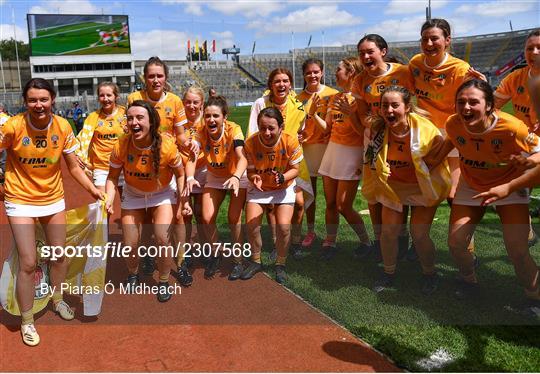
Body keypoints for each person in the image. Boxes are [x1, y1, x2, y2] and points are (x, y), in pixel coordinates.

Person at [0, 78, 104, 346]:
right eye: (33, 100)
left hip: (52, 198)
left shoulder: (63, 126)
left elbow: (74, 167)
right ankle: (27, 321)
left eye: (43, 99)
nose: (38, 105)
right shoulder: (13, 127)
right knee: (28, 262)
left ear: (52, 100)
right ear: (25, 102)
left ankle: (56, 298)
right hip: (19, 198)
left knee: (60, 256)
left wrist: (93, 190)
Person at [425, 79, 540, 312]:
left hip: (509, 187)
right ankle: (468, 279)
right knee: (456, 244)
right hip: (472, 187)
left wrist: (526, 163)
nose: (466, 107)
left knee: (517, 250)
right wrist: (429, 162)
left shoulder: (511, 127)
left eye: (473, 102)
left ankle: (534, 298)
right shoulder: (454, 123)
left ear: (489, 106)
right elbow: (452, 140)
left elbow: (539, 154)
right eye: (461, 102)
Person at [409, 18, 486, 258]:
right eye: (424, 39)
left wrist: (483, 86)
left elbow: (471, 105)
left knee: (454, 194)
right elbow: (410, 94)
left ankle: (466, 248)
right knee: (421, 188)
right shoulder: (414, 63)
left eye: (434, 38)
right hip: (424, 136)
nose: (429, 43)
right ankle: (416, 242)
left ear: (447, 41)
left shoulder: (460, 69)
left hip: (452, 135)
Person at [363, 86, 451, 294]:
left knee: (419, 234)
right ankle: (388, 273)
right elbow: (369, 160)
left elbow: (437, 161)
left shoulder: (425, 130)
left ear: (407, 107)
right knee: (388, 232)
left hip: (422, 188)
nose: (389, 111)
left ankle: (430, 274)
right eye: (385, 106)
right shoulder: (376, 130)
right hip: (393, 188)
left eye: (395, 105)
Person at [105, 100, 190, 302]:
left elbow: (180, 173)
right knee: (130, 244)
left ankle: (162, 280)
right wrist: (109, 198)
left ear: (151, 122)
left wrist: (182, 199)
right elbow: (112, 177)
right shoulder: (121, 145)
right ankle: (133, 273)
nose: (134, 122)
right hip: (133, 195)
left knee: (162, 237)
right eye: (130, 118)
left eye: (139, 117)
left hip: (161, 194)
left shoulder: (167, 146)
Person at [127, 56, 195, 275]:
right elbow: (131, 129)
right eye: (151, 76)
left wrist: (190, 144)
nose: (155, 80)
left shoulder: (175, 101)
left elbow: (181, 135)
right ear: (144, 78)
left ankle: (181, 261)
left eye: (159, 76)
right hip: (141, 164)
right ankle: (147, 255)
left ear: (165, 77)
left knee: (178, 217)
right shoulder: (134, 97)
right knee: (146, 217)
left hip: (168, 163)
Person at [353, 34, 414, 260]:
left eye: (370, 51)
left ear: (383, 51)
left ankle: (404, 241)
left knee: (400, 191)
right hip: (374, 142)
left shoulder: (403, 72)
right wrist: (375, 127)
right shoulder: (360, 80)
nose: (366, 57)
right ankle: (380, 243)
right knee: (373, 194)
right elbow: (362, 114)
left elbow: (413, 105)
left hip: (401, 140)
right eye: (361, 53)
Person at [248, 68, 313, 260]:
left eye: (285, 81)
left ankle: (294, 242)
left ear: (291, 84)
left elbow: (302, 127)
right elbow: (253, 131)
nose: (281, 84)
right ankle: (278, 241)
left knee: (300, 204)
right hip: (266, 159)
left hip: (291, 159)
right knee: (271, 206)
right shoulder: (261, 103)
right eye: (277, 81)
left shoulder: (297, 104)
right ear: (270, 85)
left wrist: (302, 135)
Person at [310, 57, 371, 260]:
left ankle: (366, 242)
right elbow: (328, 127)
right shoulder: (334, 98)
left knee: (343, 205)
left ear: (351, 73)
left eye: (339, 69)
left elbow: (363, 131)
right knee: (330, 203)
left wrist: (351, 114)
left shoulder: (360, 99)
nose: (335, 73)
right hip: (333, 152)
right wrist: (313, 115)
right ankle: (330, 241)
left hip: (352, 153)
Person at [184, 96, 248, 280]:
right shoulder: (199, 132)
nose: (211, 120)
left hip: (237, 175)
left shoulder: (233, 129)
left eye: (216, 116)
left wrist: (236, 177)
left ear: (224, 117)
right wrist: (189, 177)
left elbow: (242, 157)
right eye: (207, 116)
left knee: (233, 218)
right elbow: (192, 158)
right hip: (215, 176)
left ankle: (237, 261)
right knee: (206, 217)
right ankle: (215, 252)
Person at [242, 107, 303, 283]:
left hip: (283, 187)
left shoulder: (290, 141)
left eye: (271, 128)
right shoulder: (251, 143)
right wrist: (254, 179)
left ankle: (280, 264)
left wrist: (283, 177)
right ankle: (256, 261)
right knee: (252, 226)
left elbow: (295, 170)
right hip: (260, 189)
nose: (266, 132)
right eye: (262, 128)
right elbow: (251, 171)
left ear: (281, 127)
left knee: (284, 227)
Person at [494, 29, 540, 243]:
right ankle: (527, 229)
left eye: (539, 48)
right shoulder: (515, 78)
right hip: (528, 143)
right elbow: (491, 107)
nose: (535, 52)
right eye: (530, 48)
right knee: (518, 180)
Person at [296, 59, 338, 249]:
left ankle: (331, 237)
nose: (312, 76)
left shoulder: (333, 94)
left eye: (316, 72)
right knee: (309, 194)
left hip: (329, 149)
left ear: (322, 72)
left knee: (332, 199)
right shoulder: (298, 98)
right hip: (308, 150)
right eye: (308, 73)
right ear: (304, 75)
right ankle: (310, 231)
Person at [174, 86, 207, 286]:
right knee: (183, 214)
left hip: (203, 171)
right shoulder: (178, 121)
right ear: (183, 102)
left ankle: (204, 248)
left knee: (202, 213)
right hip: (181, 172)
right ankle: (184, 254)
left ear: (201, 103)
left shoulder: (207, 120)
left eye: (196, 102)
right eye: (188, 102)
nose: (192, 106)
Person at [75, 82, 127, 194]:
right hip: (101, 168)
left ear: (116, 96)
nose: (105, 99)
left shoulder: (126, 114)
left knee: (128, 203)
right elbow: (81, 138)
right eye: (102, 95)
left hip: (124, 166)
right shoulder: (93, 117)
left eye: (109, 95)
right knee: (103, 204)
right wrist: (77, 154)